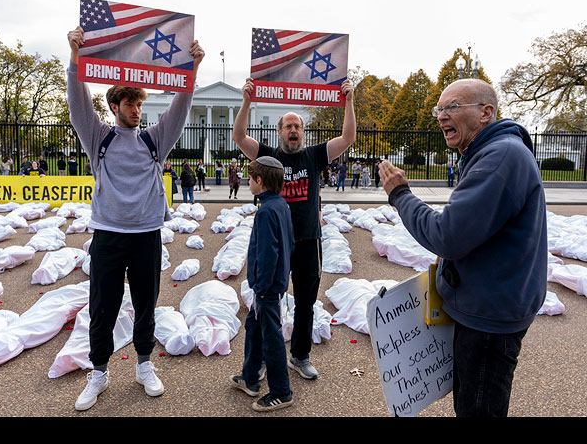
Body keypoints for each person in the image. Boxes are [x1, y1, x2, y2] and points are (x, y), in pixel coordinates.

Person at [378, 78, 547, 417]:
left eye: (452, 107)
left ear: (486, 113)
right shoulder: (491, 151)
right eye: (439, 109)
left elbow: (448, 235)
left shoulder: (500, 157)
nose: (442, 116)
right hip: (489, 303)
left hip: (488, 318)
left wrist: (400, 194)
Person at [66, 25, 204, 411]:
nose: (136, 109)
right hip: (108, 234)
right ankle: (99, 372)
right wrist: (75, 56)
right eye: (129, 103)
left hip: (146, 234)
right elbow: (78, 104)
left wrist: (192, 68)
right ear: (114, 106)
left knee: (146, 304)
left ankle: (144, 364)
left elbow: (180, 110)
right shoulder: (99, 138)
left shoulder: (153, 140)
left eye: (139, 104)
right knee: (102, 309)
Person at [233, 76, 355, 380]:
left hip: (307, 240)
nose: (293, 130)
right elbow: (238, 137)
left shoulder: (313, 156)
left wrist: (349, 101)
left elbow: (348, 138)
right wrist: (246, 100)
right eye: (287, 126)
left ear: (303, 132)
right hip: (275, 243)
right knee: (265, 303)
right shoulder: (268, 157)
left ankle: (299, 356)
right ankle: (261, 359)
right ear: (279, 132)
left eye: (297, 126)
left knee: (305, 303)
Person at [230, 156, 295, 412]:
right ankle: (251, 377)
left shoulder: (267, 211)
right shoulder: (281, 205)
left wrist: (261, 286)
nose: (248, 182)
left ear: (259, 181)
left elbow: (268, 252)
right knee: (254, 327)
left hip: (266, 287)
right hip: (272, 283)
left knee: (271, 337)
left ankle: (282, 391)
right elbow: (289, 244)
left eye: (250, 178)